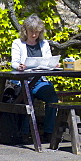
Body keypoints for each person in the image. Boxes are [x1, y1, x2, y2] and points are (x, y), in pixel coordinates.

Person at [10, 14, 59, 143]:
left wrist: (54, 64)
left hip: (40, 81)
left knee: (52, 97)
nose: (34, 35)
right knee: (28, 97)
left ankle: (49, 132)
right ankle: (25, 133)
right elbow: (14, 62)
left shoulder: (44, 44)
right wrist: (19, 66)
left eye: (37, 32)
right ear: (25, 31)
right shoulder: (18, 43)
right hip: (23, 81)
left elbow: (48, 61)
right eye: (31, 31)